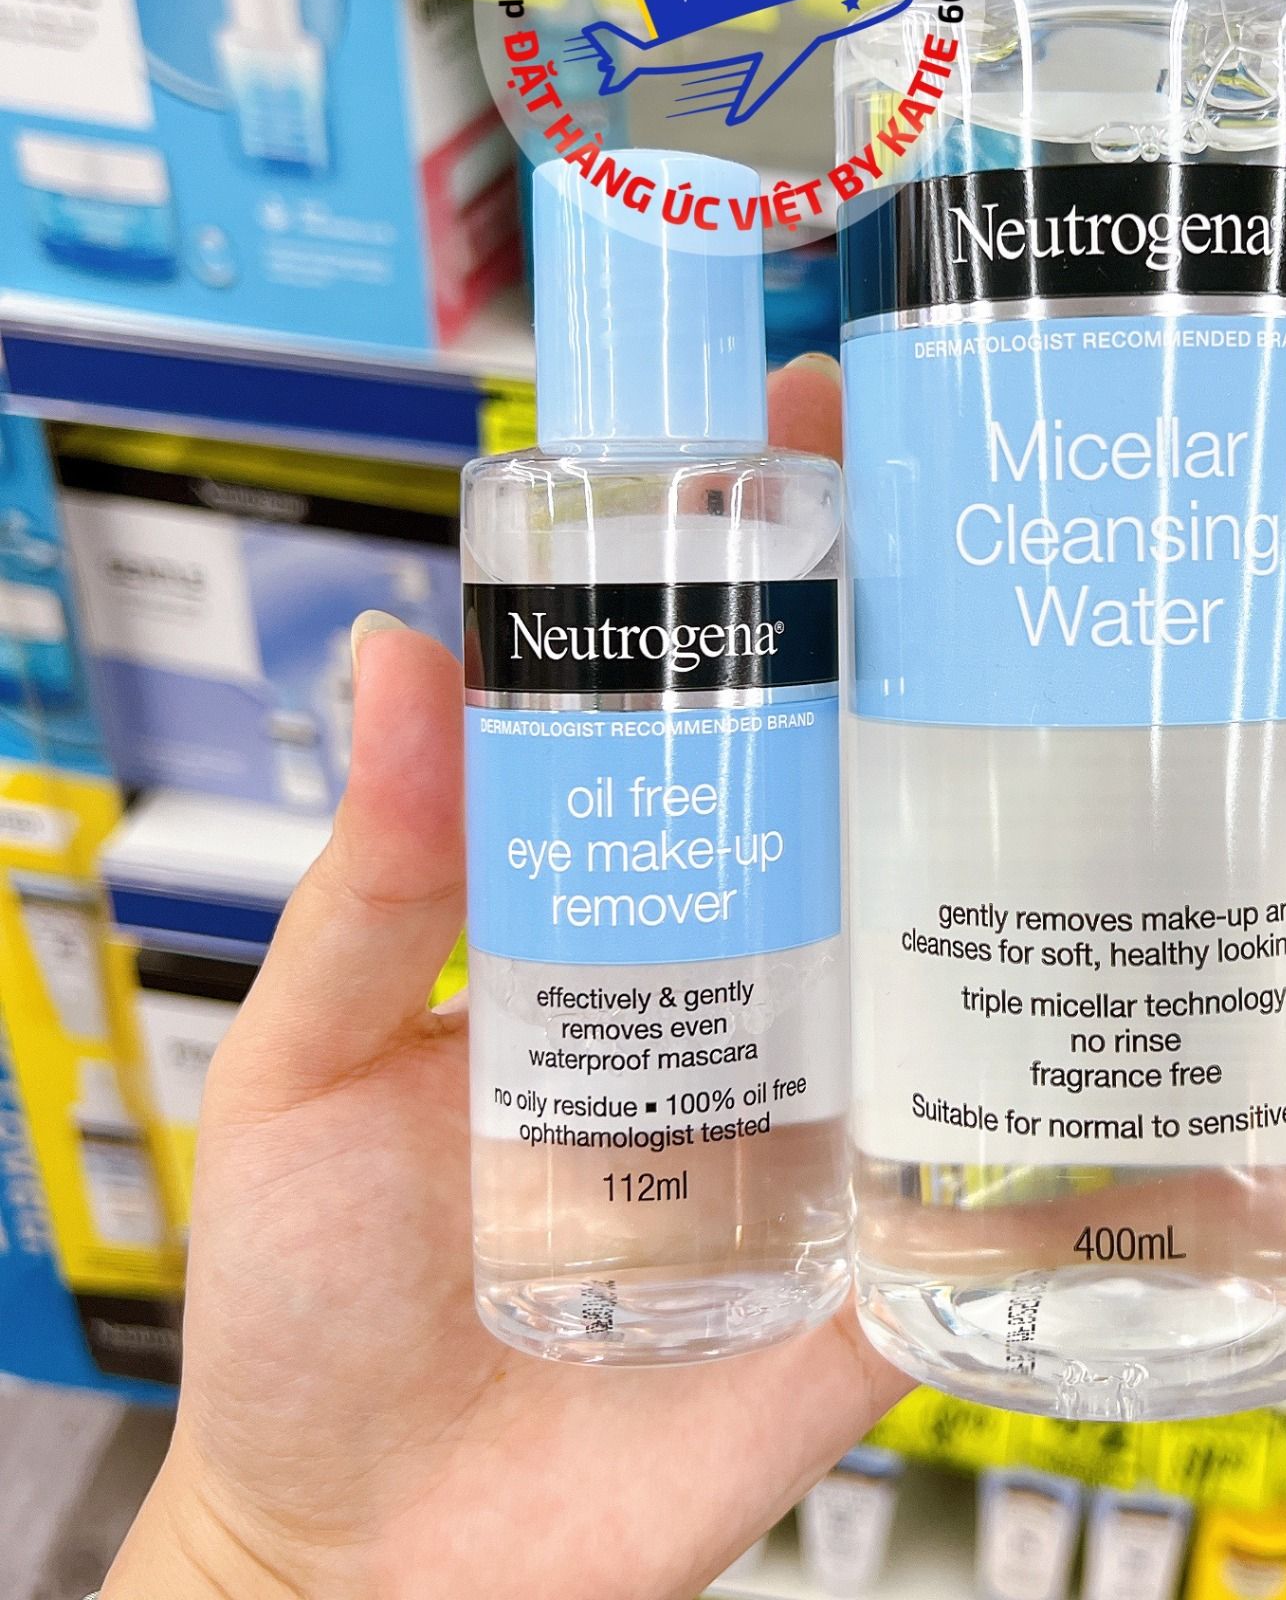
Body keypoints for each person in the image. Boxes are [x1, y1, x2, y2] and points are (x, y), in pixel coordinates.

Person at [102, 358, 905, 1599]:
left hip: (773, 1201)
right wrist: (255, 1550)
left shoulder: (775, 497)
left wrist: (250, 1560)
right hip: (562, 1226)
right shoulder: (523, 495)